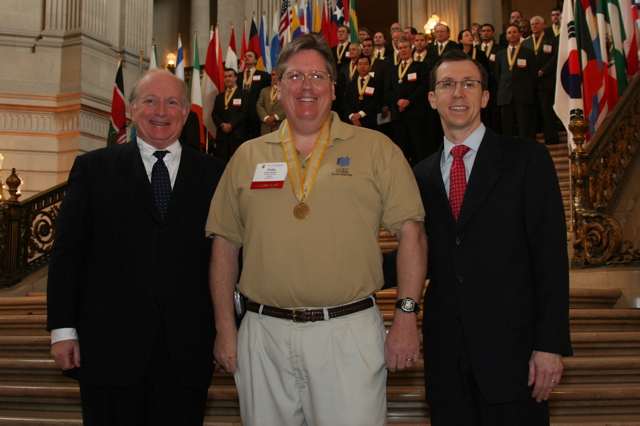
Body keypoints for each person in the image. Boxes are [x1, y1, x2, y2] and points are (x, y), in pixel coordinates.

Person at [207, 34, 426, 426]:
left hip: (348, 332)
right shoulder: (246, 156)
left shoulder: (377, 149)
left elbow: (411, 234)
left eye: (317, 76)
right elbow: (224, 247)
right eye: (294, 76)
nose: (306, 86)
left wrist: (406, 316)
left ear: (333, 86)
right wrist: (226, 327)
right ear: (277, 86)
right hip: (262, 335)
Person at [47, 69, 225, 425]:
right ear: (132, 109)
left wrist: (228, 330)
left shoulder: (215, 174)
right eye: (150, 100)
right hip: (109, 344)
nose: (161, 110)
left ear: (185, 111)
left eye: (172, 102)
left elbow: (228, 256)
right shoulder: (93, 168)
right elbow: (68, 254)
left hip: (186, 347)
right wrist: (62, 330)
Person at [414, 49, 572, 425]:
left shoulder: (528, 159)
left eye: (469, 84)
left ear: (485, 96)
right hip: (446, 360)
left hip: (514, 357)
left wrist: (549, 346)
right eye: (447, 84)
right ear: (433, 98)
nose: (458, 94)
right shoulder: (419, 176)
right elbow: (420, 254)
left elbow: (549, 259)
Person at [387, 38, 431, 165]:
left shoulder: (420, 66)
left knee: (419, 147)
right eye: (400, 48)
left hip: (416, 113)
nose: (403, 50)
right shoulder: (393, 70)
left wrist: (409, 101)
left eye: (406, 47)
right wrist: (398, 101)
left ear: (411, 49)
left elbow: (423, 86)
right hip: (399, 115)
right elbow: (389, 90)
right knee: (401, 148)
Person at [495, 24, 537, 140]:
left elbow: (533, 75)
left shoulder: (528, 53)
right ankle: (510, 152)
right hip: (505, 94)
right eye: (509, 33)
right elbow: (498, 76)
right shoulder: (500, 54)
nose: (512, 34)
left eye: (514, 32)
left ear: (519, 34)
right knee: (507, 128)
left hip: (523, 94)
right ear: (506, 36)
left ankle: (526, 151)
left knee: (525, 127)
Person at [523, 16, 560, 145]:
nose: (534, 26)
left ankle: (551, 136)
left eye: (537, 23)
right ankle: (532, 137)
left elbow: (555, 58)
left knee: (547, 110)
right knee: (532, 112)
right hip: (530, 82)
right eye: (532, 24)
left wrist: (543, 71)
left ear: (544, 25)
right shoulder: (526, 43)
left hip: (546, 80)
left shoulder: (551, 40)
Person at [212, 68, 250, 161]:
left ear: (235, 78)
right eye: (225, 77)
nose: (228, 79)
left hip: (238, 135)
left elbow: (244, 112)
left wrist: (231, 125)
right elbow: (214, 114)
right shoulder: (219, 97)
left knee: (239, 162)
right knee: (222, 163)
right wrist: (222, 125)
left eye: (230, 76)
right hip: (223, 135)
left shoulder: (243, 94)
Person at [343, 55, 383, 129]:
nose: (363, 66)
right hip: (353, 122)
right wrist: (352, 116)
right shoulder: (351, 84)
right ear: (356, 66)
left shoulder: (376, 83)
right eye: (360, 64)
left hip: (369, 121)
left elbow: (375, 101)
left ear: (370, 66)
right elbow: (346, 102)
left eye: (365, 64)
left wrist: (360, 114)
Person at [240, 50, 271, 139]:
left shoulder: (263, 75)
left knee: (256, 137)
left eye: (250, 56)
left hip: (256, 113)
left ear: (256, 60)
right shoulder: (238, 76)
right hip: (241, 113)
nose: (247, 57)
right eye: (245, 56)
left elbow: (267, 95)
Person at [256, 69, 286, 135]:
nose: (275, 77)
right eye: (273, 75)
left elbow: (290, 106)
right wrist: (266, 118)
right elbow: (259, 105)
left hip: (281, 126)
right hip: (266, 127)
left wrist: (275, 117)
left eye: (277, 74)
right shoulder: (264, 91)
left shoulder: (288, 90)